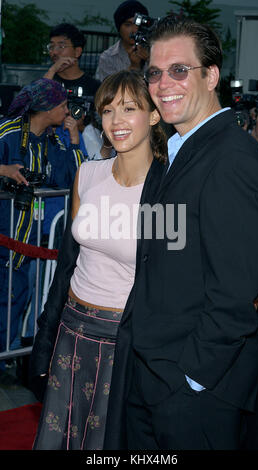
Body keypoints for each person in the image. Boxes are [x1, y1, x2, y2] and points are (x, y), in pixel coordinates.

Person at [103, 17, 258, 451]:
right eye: (154, 72)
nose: (163, 83)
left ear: (211, 76)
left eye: (180, 70)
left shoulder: (233, 159)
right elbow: (163, 251)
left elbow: (236, 293)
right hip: (149, 369)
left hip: (194, 390)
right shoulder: (174, 151)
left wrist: (189, 379)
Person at [29, 70, 167, 450]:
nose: (116, 121)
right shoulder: (87, 175)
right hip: (72, 327)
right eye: (107, 111)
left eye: (128, 108)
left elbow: (168, 280)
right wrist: (47, 330)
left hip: (123, 337)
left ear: (154, 115)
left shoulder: (165, 188)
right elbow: (67, 263)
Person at [0, 78, 84, 377]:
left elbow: (76, 180)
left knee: (15, 297)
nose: (67, 110)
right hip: (6, 235)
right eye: (62, 104)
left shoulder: (55, 139)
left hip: (28, 241)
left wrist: (74, 140)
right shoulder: (8, 133)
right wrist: (4, 170)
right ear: (46, 108)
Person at [95, 1, 149, 82]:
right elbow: (108, 91)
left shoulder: (155, 52)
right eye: (128, 24)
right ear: (119, 28)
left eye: (138, 25)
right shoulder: (108, 58)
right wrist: (134, 67)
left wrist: (150, 59)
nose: (134, 30)